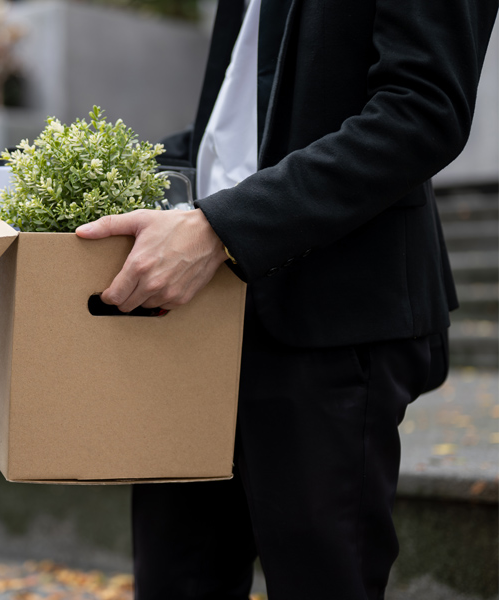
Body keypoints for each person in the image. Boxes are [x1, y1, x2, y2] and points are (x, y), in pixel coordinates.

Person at [75, 0, 498, 598]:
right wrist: (84, 181)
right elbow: (233, 134)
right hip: (199, 317)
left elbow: (422, 111)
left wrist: (219, 229)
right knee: (176, 581)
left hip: (329, 313)